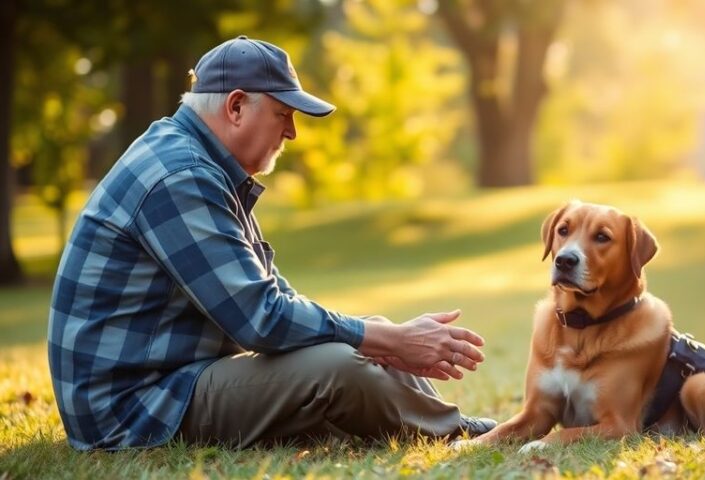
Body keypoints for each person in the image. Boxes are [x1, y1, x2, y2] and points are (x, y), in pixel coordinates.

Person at [47, 35, 495, 451]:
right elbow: (260, 320)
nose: (292, 133)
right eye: (284, 114)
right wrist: (390, 339)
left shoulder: (201, 164)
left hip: (174, 380)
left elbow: (273, 296)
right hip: (133, 408)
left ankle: (456, 424)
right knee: (341, 367)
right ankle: (462, 434)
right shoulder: (181, 175)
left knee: (364, 339)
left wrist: (380, 336)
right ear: (237, 106)